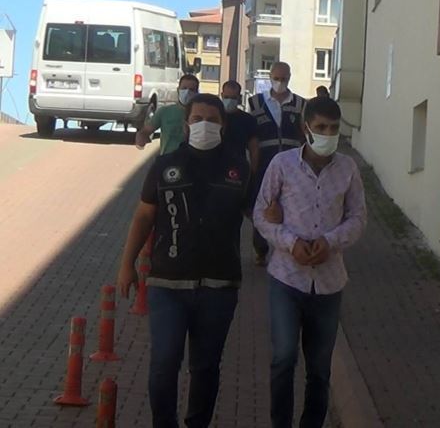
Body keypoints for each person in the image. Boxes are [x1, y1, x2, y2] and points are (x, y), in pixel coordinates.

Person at [117, 94, 250, 428]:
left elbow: (259, 214)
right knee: (164, 364)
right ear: (186, 125)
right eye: (197, 119)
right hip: (167, 284)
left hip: (220, 286)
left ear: (223, 125)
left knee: (205, 367)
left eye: (212, 119)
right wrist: (126, 264)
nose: (204, 125)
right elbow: (144, 216)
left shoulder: (238, 168)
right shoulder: (165, 165)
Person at [254, 96, 366, 428]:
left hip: (329, 284)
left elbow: (358, 218)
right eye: (321, 127)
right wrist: (290, 243)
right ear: (306, 129)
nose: (327, 134)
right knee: (283, 357)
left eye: (333, 128)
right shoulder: (282, 165)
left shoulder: (348, 169)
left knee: (319, 369)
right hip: (286, 278)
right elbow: (261, 214)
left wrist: (330, 242)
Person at [247, 62, 307, 266]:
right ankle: (261, 250)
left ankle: (291, 247)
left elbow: (304, 134)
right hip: (264, 164)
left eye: (284, 78)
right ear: (270, 77)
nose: (280, 82)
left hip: (292, 165)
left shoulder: (300, 104)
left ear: (289, 78)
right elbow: (252, 137)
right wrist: (253, 167)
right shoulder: (256, 103)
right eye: (276, 78)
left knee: (293, 206)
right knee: (263, 207)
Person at [136, 74, 200, 155]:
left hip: (192, 160)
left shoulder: (202, 115)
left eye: (191, 90)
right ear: (178, 90)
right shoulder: (165, 112)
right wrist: (141, 137)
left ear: (197, 92)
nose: (187, 92)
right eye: (184, 88)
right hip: (168, 159)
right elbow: (146, 131)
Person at [221, 80, 259, 175]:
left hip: (239, 167)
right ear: (222, 95)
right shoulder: (215, 116)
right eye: (226, 97)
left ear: (239, 98)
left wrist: (253, 172)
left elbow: (254, 148)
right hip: (217, 164)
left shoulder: (248, 120)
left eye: (233, 98)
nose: (229, 101)